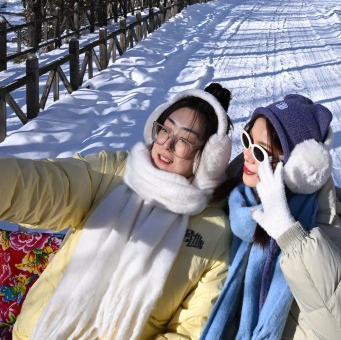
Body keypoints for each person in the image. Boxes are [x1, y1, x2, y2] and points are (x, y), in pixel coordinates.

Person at [0, 83, 233, 340]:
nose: (167, 143)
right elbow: (41, 187)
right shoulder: (112, 173)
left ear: (209, 157)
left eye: (185, 141)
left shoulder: (214, 233)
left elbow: (188, 333)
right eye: (165, 129)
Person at [200, 93, 341, 340]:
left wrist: (290, 235)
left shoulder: (322, 228)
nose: (247, 155)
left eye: (261, 153)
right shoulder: (233, 198)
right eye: (246, 139)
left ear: (298, 168)